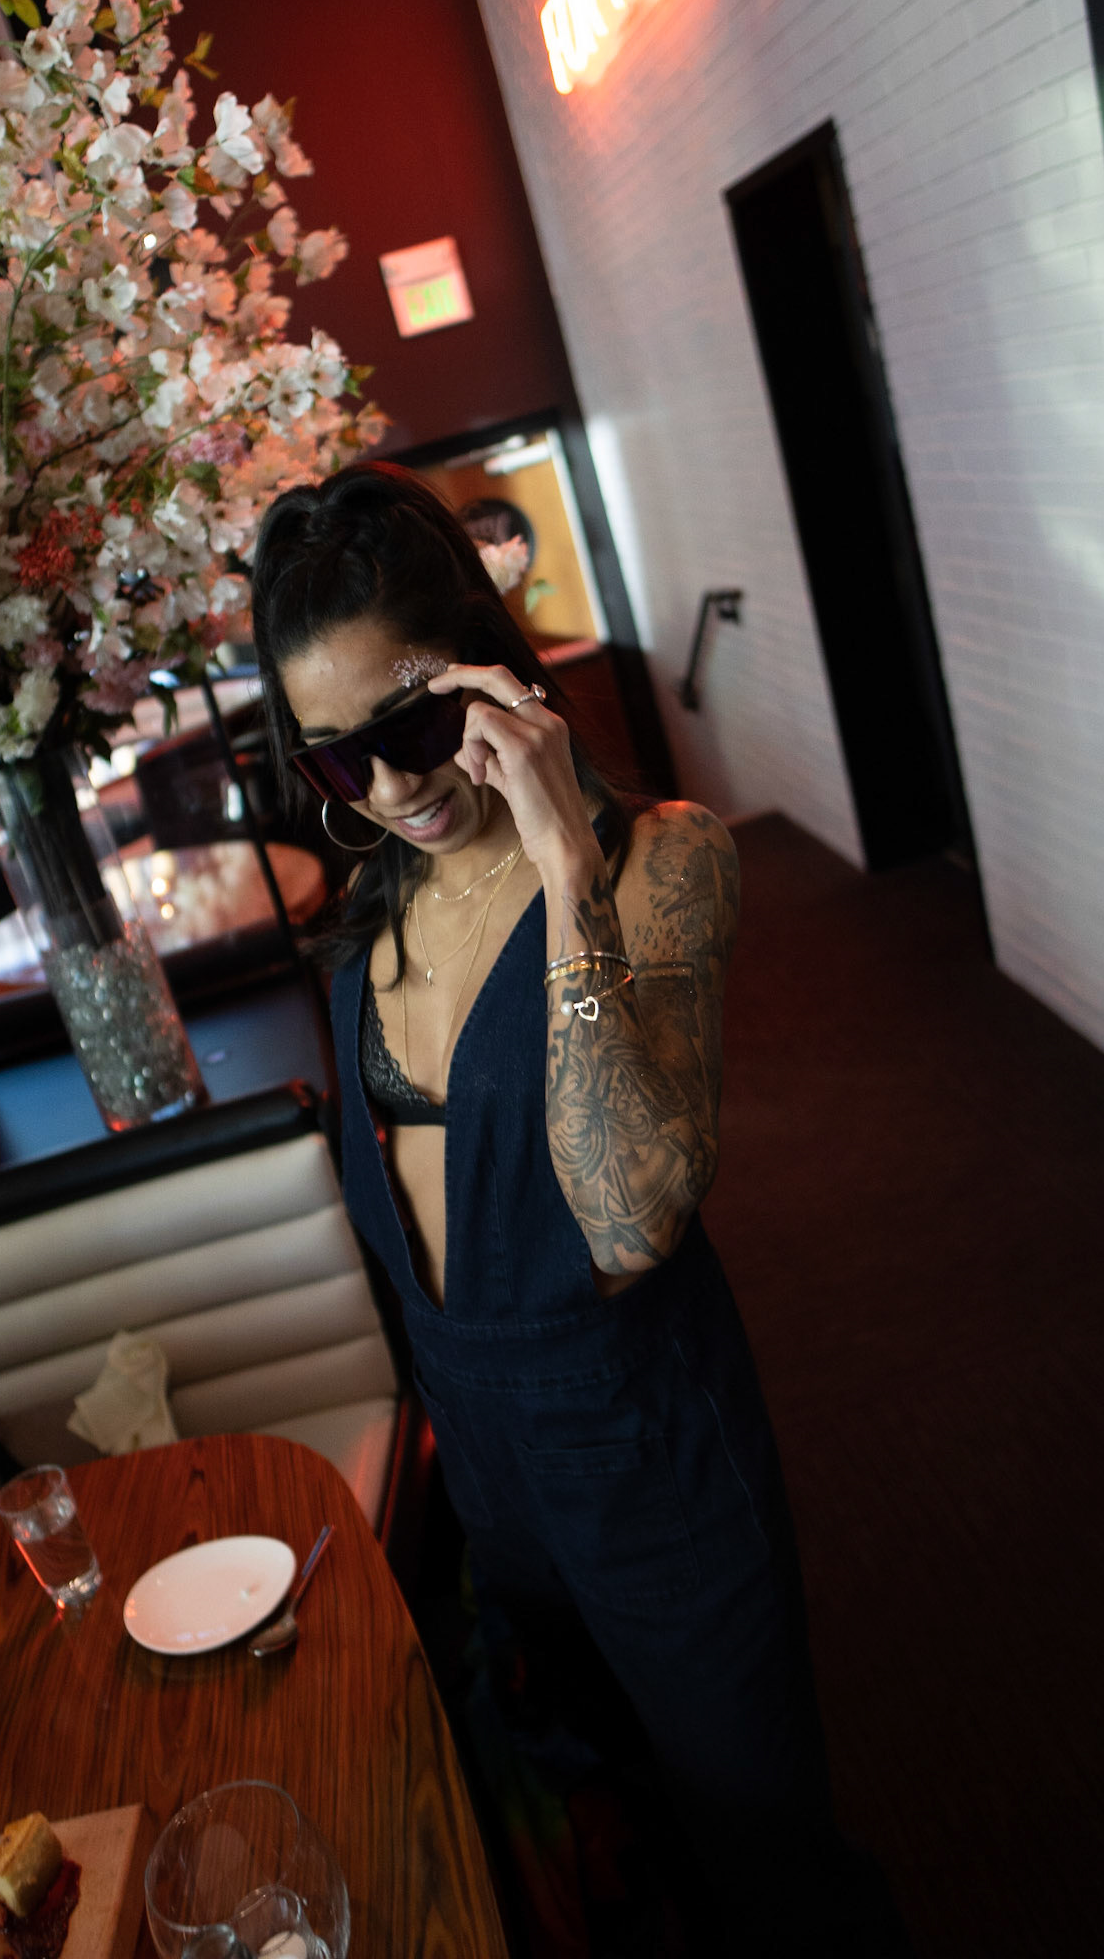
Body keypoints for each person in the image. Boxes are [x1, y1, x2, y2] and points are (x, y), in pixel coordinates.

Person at [252, 462, 906, 1957]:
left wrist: (560, 863)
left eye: (412, 728)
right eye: (340, 763)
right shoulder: (371, 925)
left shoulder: (659, 858)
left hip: (640, 1448)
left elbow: (626, 1217)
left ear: (487, 669)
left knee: (763, 1841)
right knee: (607, 1818)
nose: (393, 790)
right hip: (486, 1467)